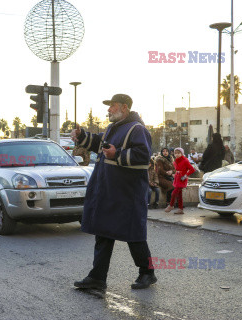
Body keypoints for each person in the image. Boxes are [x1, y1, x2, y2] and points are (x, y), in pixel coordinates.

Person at [72, 93, 156, 290]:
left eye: (113, 106)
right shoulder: (112, 128)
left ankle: (148, 273)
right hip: (108, 191)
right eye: (109, 106)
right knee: (103, 232)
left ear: (124, 108)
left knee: (134, 235)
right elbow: (100, 144)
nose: (109, 110)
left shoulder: (137, 129)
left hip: (128, 193)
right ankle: (97, 278)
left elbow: (143, 156)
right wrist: (82, 136)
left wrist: (117, 154)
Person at [165, 148, 195, 214]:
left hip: (182, 179)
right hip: (177, 178)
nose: (177, 154)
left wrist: (185, 175)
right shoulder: (175, 161)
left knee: (174, 193)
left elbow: (192, 169)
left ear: (182, 153)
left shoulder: (185, 160)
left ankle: (171, 205)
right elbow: (176, 170)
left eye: (178, 153)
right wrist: (174, 174)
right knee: (179, 194)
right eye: (175, 153)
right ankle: (180, 209)